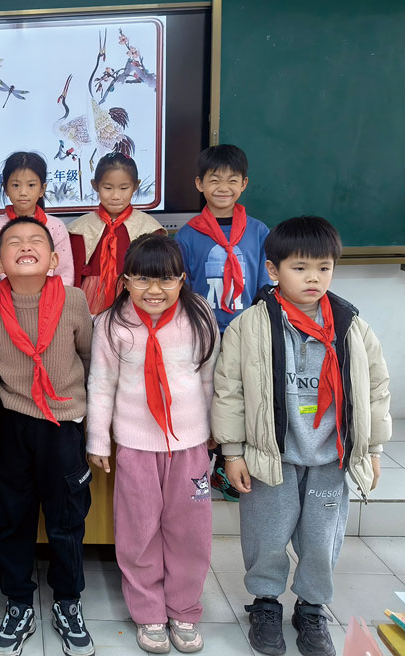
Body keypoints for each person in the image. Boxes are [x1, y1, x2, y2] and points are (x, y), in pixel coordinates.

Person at [213, 216, 392, 656]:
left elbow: (375, 388)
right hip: (271, 457)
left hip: (331, 458)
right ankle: (266, 603)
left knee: (321, 541)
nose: (313, 277)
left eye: (324, 267)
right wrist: (232, 452)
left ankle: (311, 609)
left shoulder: (351, 326)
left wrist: (372, 448)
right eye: (300, 267)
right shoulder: (250, 326)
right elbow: (229, 390)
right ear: (273, 270)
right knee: (267, 536)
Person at [87, 235, 219, 654]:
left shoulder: (200, 316)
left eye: (166, 279)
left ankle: (183, 608)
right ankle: (148, 612)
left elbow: (210, 377)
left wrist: (216, 432)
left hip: (190, 444)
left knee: (190, 531)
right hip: (135, 445)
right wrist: (98, 440)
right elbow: (101, 385)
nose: (155, 290)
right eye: (143, 279)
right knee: (139, 530)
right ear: (125, 280)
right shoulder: (111, 324)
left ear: (182, 279)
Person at [0, 218, 95, 656]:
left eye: (35, 242)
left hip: (63, 423)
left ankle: (67, 601)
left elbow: (88, 356)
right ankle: (19, 602)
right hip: (12, 423)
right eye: (13, 243)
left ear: (54, 258)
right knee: (13, 516)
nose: (25, 247)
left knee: (66, 517)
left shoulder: (74, 300)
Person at [175, 144, 272, 501]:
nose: (223, 187)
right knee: (207, 397)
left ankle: (234, 462)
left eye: (232, 180)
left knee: (243, 396)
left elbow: (265, 285)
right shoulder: (187, 235)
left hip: (246, 332)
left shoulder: (259, 232)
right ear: (199, 183)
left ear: (244, 184)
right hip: (205, 333)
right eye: (214, 180)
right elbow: (182, 288)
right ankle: (206, 464)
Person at [67, 153, 165, 315]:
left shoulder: (150, 229)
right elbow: (74, 276)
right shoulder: (79, 229)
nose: (115, 196)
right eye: (108, 188)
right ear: (95, 185)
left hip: (134, 296)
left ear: (136, 186)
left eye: (124, 188)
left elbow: (157, 273)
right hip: (90, 298)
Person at [0, 151, 74, 295]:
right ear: (5, 189)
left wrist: (56, 300)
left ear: (42, 189)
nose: (23, 192)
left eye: (31, 185)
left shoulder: (56, 227)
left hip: (51, 301)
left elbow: (65, 274)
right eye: (16, 185)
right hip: (4, 302)